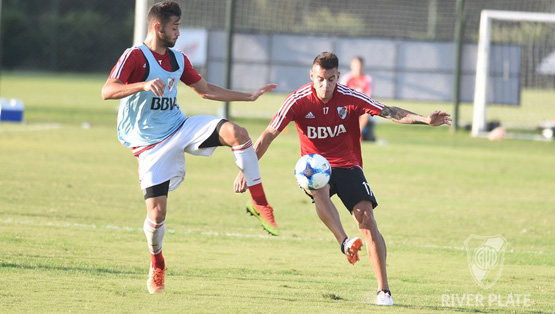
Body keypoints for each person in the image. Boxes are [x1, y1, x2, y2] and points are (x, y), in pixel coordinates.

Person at [234, 52, 451, 306]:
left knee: (367, 219)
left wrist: (425, 119)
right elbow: (268, 135)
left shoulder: (350, 97)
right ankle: (345, 242)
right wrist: (246, 169)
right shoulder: (297, 100)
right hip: (314, 167)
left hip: (348, 164)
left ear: (338, 77)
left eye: (331, 79)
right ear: (312, 77)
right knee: (319, 187)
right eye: (321, 79)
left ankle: (384, 291)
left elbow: (388, 111)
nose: (326, 86)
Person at [101, 0, 279, 294]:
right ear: (158, 27)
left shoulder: (178, 59)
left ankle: (260, 203)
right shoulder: (135, 56)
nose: (179, 32)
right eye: (175, 26)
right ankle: (157, 262)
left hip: (180, 127)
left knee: (237, 132)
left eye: (179, 26)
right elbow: (108, 90)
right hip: (150, 146)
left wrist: (248, 97)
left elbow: (205, 90)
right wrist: (142, 85)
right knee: (157, 216)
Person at [339, 56, 376, 141]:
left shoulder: (367, 79)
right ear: (351, 66)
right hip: (347, 106)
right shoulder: (346, 78)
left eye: (359, 66)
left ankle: (357, 134)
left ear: (363, 66)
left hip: (361, 106)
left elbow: (368, 96)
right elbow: (341, 95)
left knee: (365, 113)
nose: (357, 68)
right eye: (355, 65)